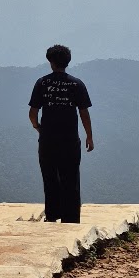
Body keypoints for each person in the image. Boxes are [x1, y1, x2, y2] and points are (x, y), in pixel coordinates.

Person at [28, 44, 93, 225]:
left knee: (49, 177)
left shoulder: (42, 83)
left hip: (48, 139)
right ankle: (71, 218)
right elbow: (84, 112)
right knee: (71, 178)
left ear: (51, 62)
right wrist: (89, 136)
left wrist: (38, 127)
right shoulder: (76, 84)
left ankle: (52, 215)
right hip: (70, 139)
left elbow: (33, 113)